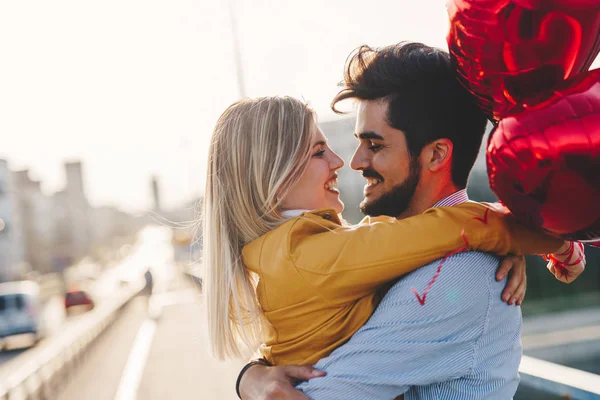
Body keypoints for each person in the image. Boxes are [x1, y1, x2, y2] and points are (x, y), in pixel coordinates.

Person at [236, 43, 586, 399]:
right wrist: (254, 372)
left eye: (374, 145)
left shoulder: (457, 277)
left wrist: (253, 385)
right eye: (359, 142)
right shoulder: (413, 249)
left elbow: (310, 393)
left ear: (436, 154)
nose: (353, 162)